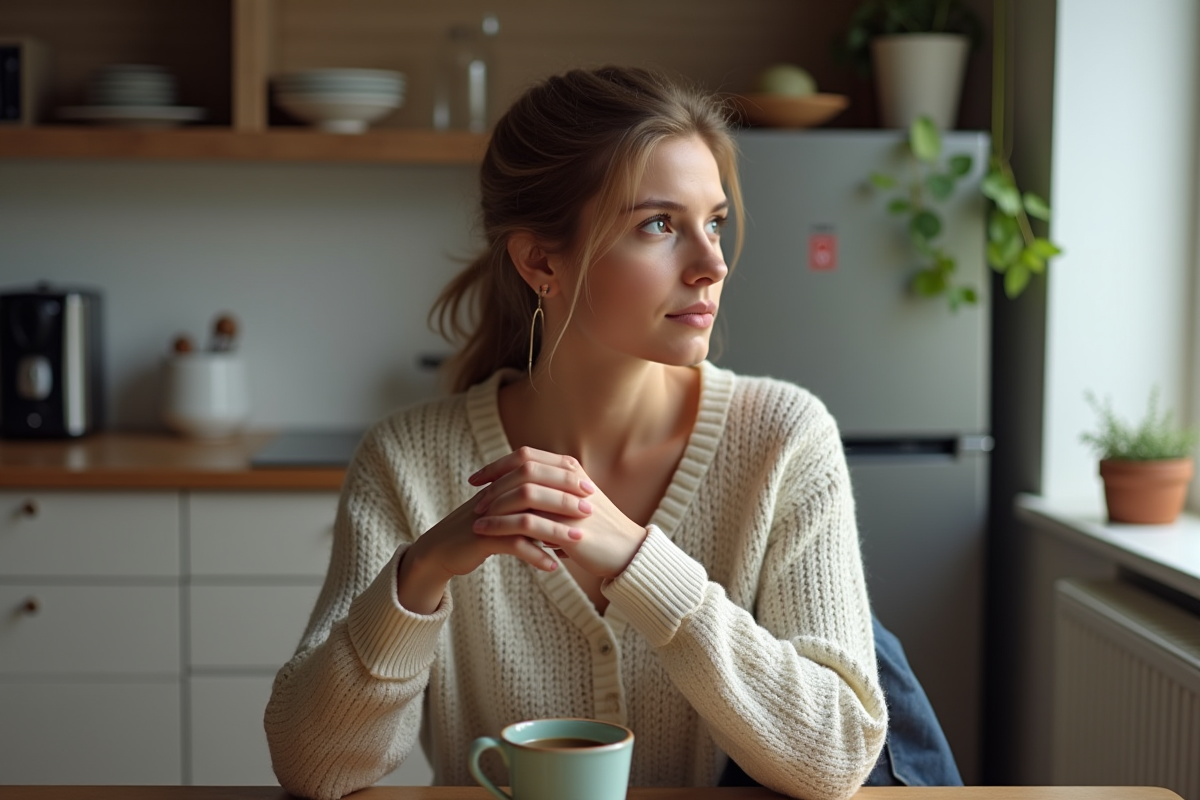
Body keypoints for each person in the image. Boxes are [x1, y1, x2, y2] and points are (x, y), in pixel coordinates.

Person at [264, 65, 887, 800]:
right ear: (540, 260)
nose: (712, 264)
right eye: (659, 225)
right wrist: (421, 574)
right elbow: (316, 767)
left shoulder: (785, 439)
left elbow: (837, 755)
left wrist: (637, 562)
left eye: (714, 222)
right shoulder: (406, 461)